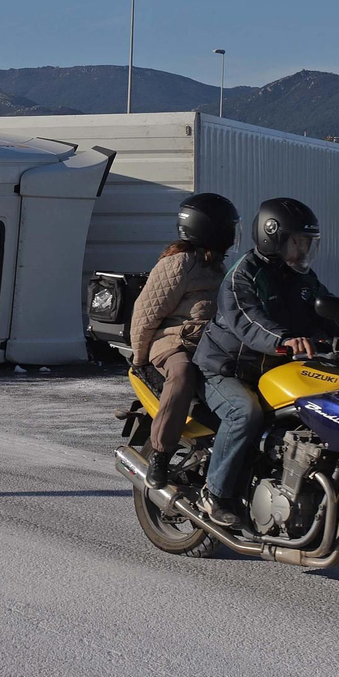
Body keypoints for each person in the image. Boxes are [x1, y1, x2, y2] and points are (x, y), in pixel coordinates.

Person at [193, 197, 339, 528]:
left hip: (271, 372)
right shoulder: (243, 276)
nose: (303, 250)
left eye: (308, 243)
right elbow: (248, 320)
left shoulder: (303, 278)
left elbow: (329, 309)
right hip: (224, 369)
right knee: (244, 413)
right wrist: (284, 340)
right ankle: (214, 494)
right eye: (297, 242)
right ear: (272, 237)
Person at [129, 193, 241, 490]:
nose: (233, 233)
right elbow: (145, 314)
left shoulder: (219, 266)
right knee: (182, 375)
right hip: (173, 344)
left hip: (211, 347)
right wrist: (140, 361)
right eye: (229, 226)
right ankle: (162, 455)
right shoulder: (178, 263)